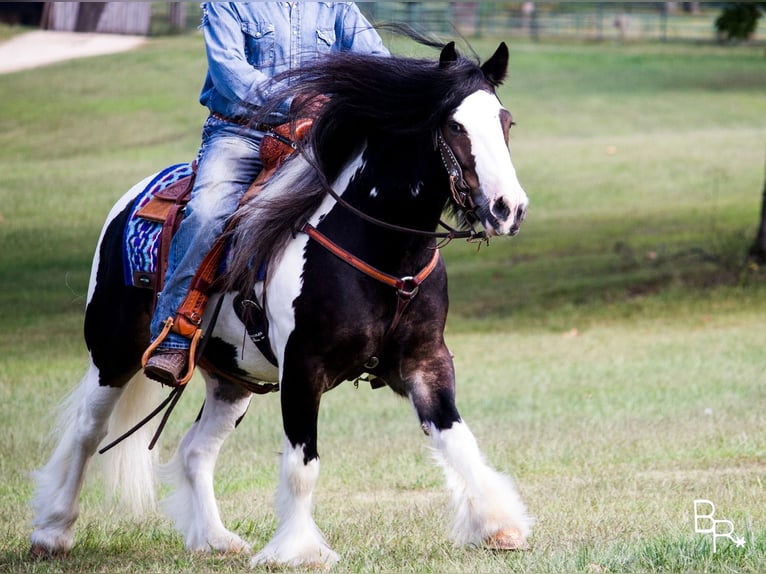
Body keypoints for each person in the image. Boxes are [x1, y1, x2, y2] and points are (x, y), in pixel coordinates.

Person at [144, 2, 389, 385]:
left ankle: (394, 328)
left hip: (316, 135)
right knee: (208, 211)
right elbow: (230, 74)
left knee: (378, 194)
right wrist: (292, 100)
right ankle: (174, 331)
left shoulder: (335, 6)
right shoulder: (229, 4)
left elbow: (376, 60)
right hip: (240, 133)